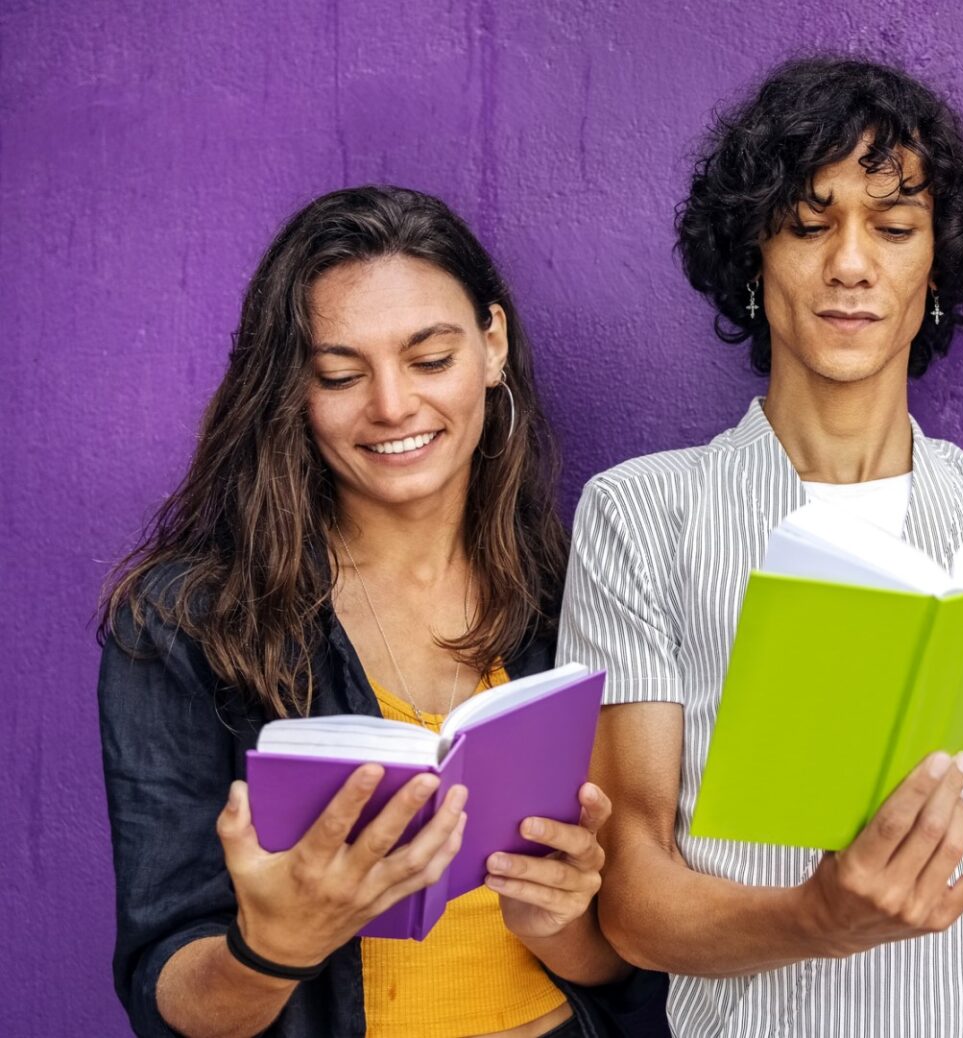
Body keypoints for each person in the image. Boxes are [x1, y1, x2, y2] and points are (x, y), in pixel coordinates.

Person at [564, 57, 963, 1034]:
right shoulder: (642, 514)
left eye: (894, 227)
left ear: (936, 264)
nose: (852, 265)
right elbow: (635, 904)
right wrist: (819, 920)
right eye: (808, 224)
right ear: (755, 252)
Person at [98, 186, 660, 1037]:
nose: (393, 405)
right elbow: (170, 1000)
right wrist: (276, 945)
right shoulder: (185, 623)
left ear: (493, 345)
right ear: (294, 389)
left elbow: (621, 968)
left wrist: (560, 922)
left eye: (430, 359)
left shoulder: (580, 587)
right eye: (340, 374)